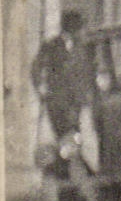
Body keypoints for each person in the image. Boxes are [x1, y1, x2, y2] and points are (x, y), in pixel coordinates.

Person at [32, 10, 93, 145]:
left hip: (75, 101)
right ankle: (64, 164)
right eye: (79, 27)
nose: (82, 31)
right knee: (63, 137)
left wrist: (86, 95)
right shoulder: (51, 45)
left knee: (75, 136)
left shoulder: (82, 46)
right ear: (71, 28)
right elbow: (36, 67)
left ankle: (70, 163)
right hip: (56, 100)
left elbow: (87, 71)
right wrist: (40, 87)